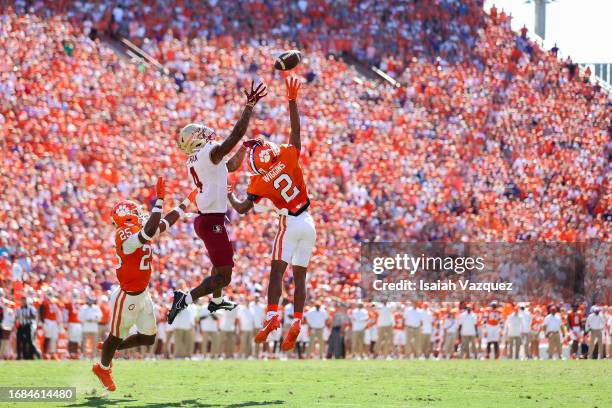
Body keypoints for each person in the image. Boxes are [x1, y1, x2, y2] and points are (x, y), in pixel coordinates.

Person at [227, 77, 316, 352]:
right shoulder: (287, 156)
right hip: (309, 222)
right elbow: (296, 132)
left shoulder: (259, 181)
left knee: (276, 273)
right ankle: (298, 320)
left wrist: (230, 193)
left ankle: (272, 315)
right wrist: (292, 101)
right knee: (300, 277)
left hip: (288, 223)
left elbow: (242, 208)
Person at [168, 81, 267, 324]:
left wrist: (245, 149)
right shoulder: (207, 152)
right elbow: (233, 136)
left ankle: (216, 300)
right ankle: (186, 298)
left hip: (208, 218)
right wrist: (249, 107)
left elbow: (230, 165)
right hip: (211, 220)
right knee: (224, 275)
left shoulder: (200, 158)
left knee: (220, 267)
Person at [92, 178, 196, 391]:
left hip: (142, 294)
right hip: (127, 295)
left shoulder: (138, 231)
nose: (141, 214)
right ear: (127, 217)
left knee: (148, 338)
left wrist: (186, 202)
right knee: (115, 335)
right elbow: (149, 230)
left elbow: (164, 223)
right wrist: (158, 200)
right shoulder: (124, 234)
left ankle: (112, 348)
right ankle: (103, 366)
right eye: (136, 212)